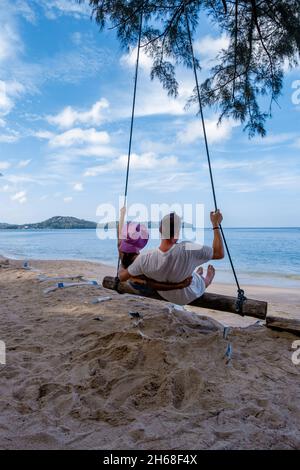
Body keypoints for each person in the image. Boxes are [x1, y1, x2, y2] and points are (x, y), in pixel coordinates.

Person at [118, 209, 224, 305]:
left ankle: (197, 275)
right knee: (195, 280)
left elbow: (122, 276)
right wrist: (215, 224)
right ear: (177, 234)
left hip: (165, 294)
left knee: (185, 271)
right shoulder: (188, 248)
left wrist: (121, 247)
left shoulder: (144, 258)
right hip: (186, 295)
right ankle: (207, 280)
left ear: (160, 231)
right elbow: (219, 254)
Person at [117, 207, 192, 292]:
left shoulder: (121, 249)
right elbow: (153, 284)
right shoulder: (140, 260)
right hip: (140, 288)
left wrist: (122, 215)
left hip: (130, 280)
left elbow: (119, 234)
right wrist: (179, 285)